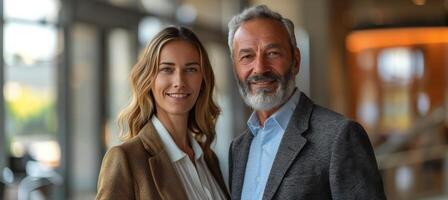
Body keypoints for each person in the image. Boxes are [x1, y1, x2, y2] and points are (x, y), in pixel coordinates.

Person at [227, 5, 386, 200]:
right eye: (247, 56)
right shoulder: (238, 148)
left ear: (295, 61)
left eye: (273, 53)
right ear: (235, 67)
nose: (260, 68)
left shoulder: (339, 136)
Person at [96, 26, 229, 200]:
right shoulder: (126, 159)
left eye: (191, 69)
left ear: (203, 80)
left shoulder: (209, 159)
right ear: (149, 79)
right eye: (167, 69)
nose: (179, 81)